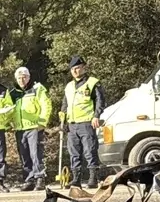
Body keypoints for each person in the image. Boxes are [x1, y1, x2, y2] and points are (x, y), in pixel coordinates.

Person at [60, 56, 106, 188]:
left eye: (77, 68)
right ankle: (76, 179)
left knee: (90, 151)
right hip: (72, 124)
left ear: (83, 68)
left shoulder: (92, 83)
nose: (75, 71)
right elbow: (65, 103)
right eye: (73, 69)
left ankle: (93, 179)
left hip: (87, 122)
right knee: (74, 152)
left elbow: (100, 101)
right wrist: (62, 119)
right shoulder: (69, 86)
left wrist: (96, 115)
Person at [11, 67, 53, 191]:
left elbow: (46, 105)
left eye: (24, 77)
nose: (22, 80)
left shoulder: (37, 89)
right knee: (24, 155)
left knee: (36, 154)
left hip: (34, 127)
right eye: (19, 78)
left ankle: (40, 178)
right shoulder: (14, 93)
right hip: (19, 128)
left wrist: (42, 122)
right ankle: (29, 179)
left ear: (29, 77)